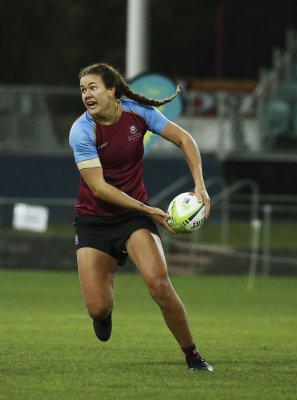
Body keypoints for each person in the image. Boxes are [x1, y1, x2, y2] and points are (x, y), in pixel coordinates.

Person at [69, 62, 213, 372]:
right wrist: (148, 210)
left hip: (132, 220)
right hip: (94, 220)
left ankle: (193, 356)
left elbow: (185, 140)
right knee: (97, 307)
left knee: (159, 284)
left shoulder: (137, 113)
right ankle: (104, 311)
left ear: (111, 90)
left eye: (93, 87)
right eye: (83, 90)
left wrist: (200, 187)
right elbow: (99, 188)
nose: (87, 95)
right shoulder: (81, 130)